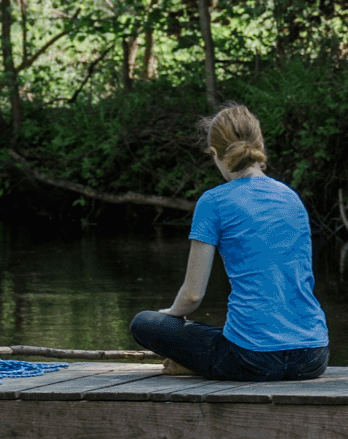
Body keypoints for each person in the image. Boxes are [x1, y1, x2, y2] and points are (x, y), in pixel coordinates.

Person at [127, 103, 329, 382]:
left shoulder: (213, 201)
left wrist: (170, 315)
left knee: (144, 323)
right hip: (313, 357)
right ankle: (205, 362)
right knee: (231, 334)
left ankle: (198, 364)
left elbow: (192, 296)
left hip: (251, 360)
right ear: (260, 146)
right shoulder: (291, 198)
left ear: (214, 153)